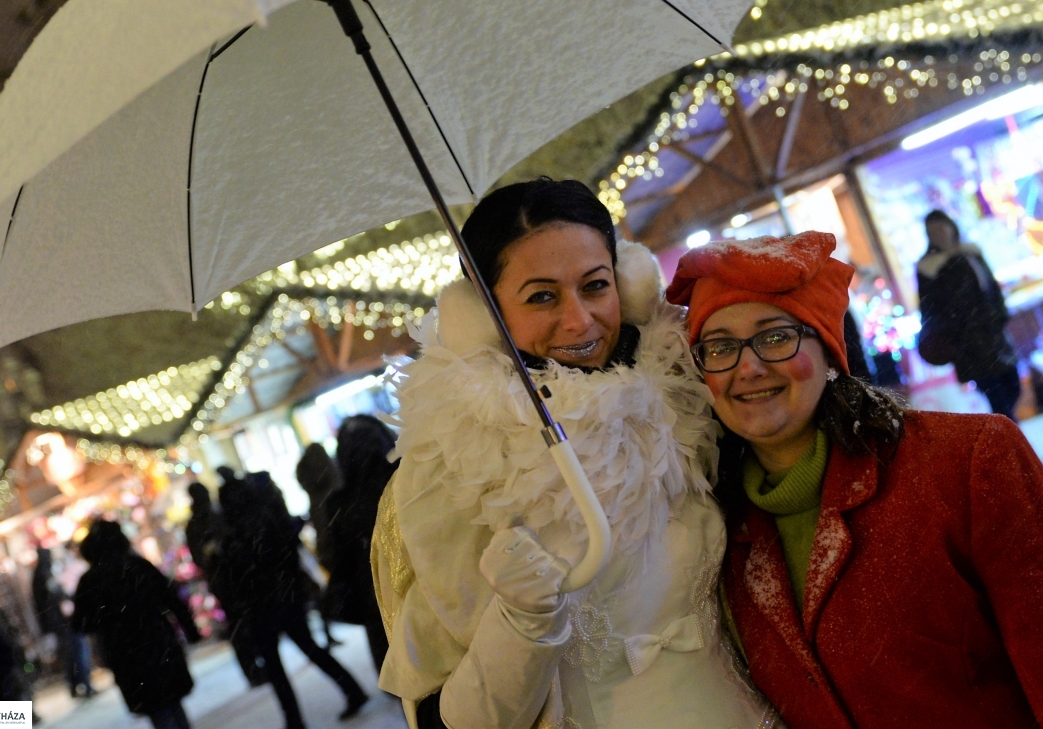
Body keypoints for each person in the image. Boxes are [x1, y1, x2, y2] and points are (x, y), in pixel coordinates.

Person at [665, 230, 1043, 728]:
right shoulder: (713, 527)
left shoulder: (967, 461)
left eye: (776, 337)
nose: (748, 367)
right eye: (719, 348)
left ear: (827, 350)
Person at [372, 178, 778, 729]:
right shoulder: (449, 467)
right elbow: (458, 719)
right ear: (483, 312)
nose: (580, 320)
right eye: (542, 296)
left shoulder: (687, 392)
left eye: (595, 285)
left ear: (628, 282)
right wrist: (521, 623)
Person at [220, 468, 369, 727]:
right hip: (285, 598)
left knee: (276, 667)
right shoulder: (267, 518)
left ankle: (295, 720)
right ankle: (350, 689)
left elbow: (236, 578)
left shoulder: (233, 536)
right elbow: (290, 552)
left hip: (261, 607)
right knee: (310, 649)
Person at [72, 520, 199, 729]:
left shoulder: (91, 580)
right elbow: (171, 598)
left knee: (156, 708)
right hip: (157, 640)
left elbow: (82, 624)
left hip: (125, 652)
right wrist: (190, 629)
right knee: (172, 702)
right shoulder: (138, 566)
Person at [297, 417, 396, 674]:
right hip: (428, 596)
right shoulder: (407, 482)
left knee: (404, 681)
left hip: (376, 602)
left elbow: (335, 558)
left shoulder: (339, 503)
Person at [916, 209, 1021, 417]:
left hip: (993, 333)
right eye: (933, 232)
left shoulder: (970, 253)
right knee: (997, 398)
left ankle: (1012, 441)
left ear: (951, 227)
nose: (939, 235)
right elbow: (931, 308)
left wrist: (999, 315)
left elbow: (991, 287)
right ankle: (1013, 444)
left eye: (941, 229)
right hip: (968, 343)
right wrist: (956, 332)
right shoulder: (930, 268)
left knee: (1012, 385)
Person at [184, 481, 267, 688]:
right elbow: (200, 556)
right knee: (241, 625)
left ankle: (256, 667)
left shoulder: (208, 519)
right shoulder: (204, 521)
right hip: (226, 579)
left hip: (229, 578)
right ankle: (253, 669)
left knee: (243, 624)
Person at [32, 547, 95, 698]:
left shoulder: (39, 575)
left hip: (57, 623)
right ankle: (83, 684)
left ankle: (76, 686)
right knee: (77, 652)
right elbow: (55, 595)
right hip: (61, 622)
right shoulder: (44, 574)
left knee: (70, 655)